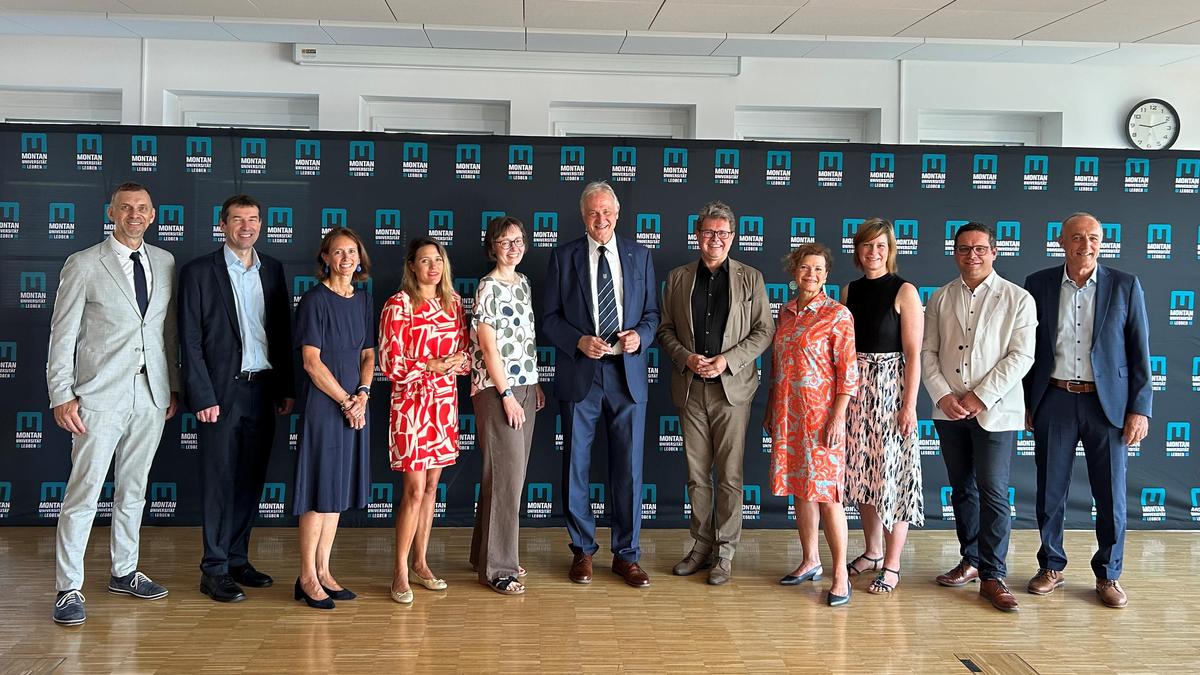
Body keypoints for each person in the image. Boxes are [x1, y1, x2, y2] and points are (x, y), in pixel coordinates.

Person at [46, 181, 179, 625]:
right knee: (83, 492)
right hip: (98, 395)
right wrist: (62, 394)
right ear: (112, 212)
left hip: (151, 395)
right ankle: (69, 588)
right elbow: (62, 335)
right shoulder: (83, 264)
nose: (134, 214)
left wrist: (171, 387)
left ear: (153, 214)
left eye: (142, 207)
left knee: (134, 490)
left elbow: (167, 333)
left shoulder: (165, 261)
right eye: (126, 208)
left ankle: (124, 571)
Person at [1023, 212, 1151, 609]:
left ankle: (1109, 574)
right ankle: (1051, 566)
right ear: (1061, 241)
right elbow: (1029, 350)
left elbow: (1139, 351)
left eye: (1094, 237)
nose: (1086, 244)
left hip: (1107, 404)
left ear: (1102, 241)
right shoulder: (1039, 283)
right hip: (1055, 398)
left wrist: (1139, 409)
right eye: (1077, 237)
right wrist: (1029, 404)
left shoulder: (1125, 285)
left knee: (1111, 493)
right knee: (1050, 490)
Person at [543, 180, 659, 588]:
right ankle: (583, 551)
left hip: (626, 376)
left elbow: (652, 315)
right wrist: (577, 340)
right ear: (583, 216)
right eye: (593, 213)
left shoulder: (640, 255)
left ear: (618, 213)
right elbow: (550, 318)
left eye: (607, 212)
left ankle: (627, 556)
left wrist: (640, 337)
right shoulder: (563, 257)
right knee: (575, 464)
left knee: (628, 470)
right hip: (582, 375)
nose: (601, 219)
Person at [178, 194, 294, 603]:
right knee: (218, 480)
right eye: (238, 219)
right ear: (222, 225)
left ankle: (237, 559)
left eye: (254, 219)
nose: (247, 226)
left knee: (251, 480)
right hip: (220, 394)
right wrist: (202, 395)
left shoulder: (274, 271)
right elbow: (189, 340)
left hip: (262, 389)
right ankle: (213, 568)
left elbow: (281, 334)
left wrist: (285, 388)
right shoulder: (198, 273)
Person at [657, 201, 773, 585]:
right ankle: (700, 546)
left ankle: (725, 553)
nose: (716, 239)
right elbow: (665, 330)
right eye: (709, 232)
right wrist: (685, 357)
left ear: (733, 237)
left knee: (730, 477)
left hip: (732, 390)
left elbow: (763, 331)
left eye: (723, 233)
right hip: (690, 389)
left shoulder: (750, 278)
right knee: (696, 476)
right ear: (697, 235)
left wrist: (728, 360)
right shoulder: (677, 278)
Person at [922, 222, 1036, 613]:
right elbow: (927, 353)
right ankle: (969, 560)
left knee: (991, 490)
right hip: (949, 410)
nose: (972, 255)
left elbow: (1021, 357)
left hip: (996, 412)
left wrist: (979, 396)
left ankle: (994, 575)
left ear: (994, 251)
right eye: (964, 249)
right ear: (954, 253)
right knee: (962, 489)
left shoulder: (1019, 298)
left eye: (980, 248)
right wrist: (943, 395)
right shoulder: (939, 297)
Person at [766, 243, 858, 607]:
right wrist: (772, 408)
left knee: (828, 496)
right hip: (790, 415)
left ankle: (840, 574)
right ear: (794, 271)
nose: (811, 275)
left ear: (826, 275)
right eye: (805, 268)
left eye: (819, 270)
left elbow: (848, 373)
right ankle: (810, 560)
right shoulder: (785, 314)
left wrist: (838, 416)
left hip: (823, 418)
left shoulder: (837, 315)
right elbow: (778, 368)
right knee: (800, 490)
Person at [379, 237, 470, 604]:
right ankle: (399, 570)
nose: (433, 266)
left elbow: (465, 357)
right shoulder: (398, 306)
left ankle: (421, 562)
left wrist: (453, 364)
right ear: (412, 266)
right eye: (425, 260)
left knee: (432, 489)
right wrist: (429, 366)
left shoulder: (453, 304)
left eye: (438, 260)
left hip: (444, 405)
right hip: (411, 408)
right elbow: (390, 364)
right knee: (414, 492)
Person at [292, 227, 375, 610]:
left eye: (352, 252)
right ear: (325, 257)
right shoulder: (314, 300)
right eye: (338, 253)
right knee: (319, 491)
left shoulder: (362, 300)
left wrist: (363, 395)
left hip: (355, 403)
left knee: (337, 492)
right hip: (326, 406)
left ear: (359, 258)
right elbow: (311, 362)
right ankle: (307, 575)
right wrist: (345, 401)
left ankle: (325, 571)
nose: (346, 259)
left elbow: (368, 355)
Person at [842, 218, 924, 594]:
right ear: (857, 251)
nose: (873, 252)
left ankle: (892, 564)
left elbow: (913, 354)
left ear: (890, 250)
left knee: (894, 478)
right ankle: (872, 551)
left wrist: (909, 405)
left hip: (891, 390)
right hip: (856, 391)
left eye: (880, 246)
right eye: (866, 246)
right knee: (862, 477)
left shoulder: (905, 290)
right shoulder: (849, 290)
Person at [468, 217, 546, 595]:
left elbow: (524, 340)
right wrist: (506, 395)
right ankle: (498, 568)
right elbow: (488, 347)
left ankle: (483, 555)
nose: (513, 247)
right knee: (506, 478)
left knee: (502, 477)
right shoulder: (488, 287)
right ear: (492, 247)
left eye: (518, 240)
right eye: (504, 242)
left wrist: (534, 384)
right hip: (499, 391)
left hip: (526, 387)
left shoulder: (523, 284)